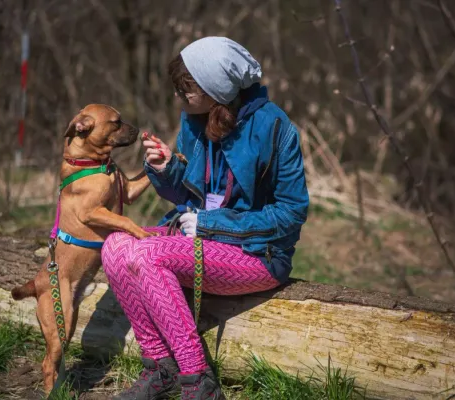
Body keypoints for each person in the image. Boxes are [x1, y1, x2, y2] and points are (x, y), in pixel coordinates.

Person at [101, 36, 309, 400]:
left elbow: (291, 213)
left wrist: (213, 225)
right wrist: (165, 169)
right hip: (198, 242)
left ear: (216, 87)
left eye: (187, 89)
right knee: (117, 245)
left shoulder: (275, 128)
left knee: (150, 254)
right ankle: (160, 367)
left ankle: (199, 381)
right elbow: (185, 195)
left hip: (258, 254)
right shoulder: (195, 121)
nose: (180, 98)